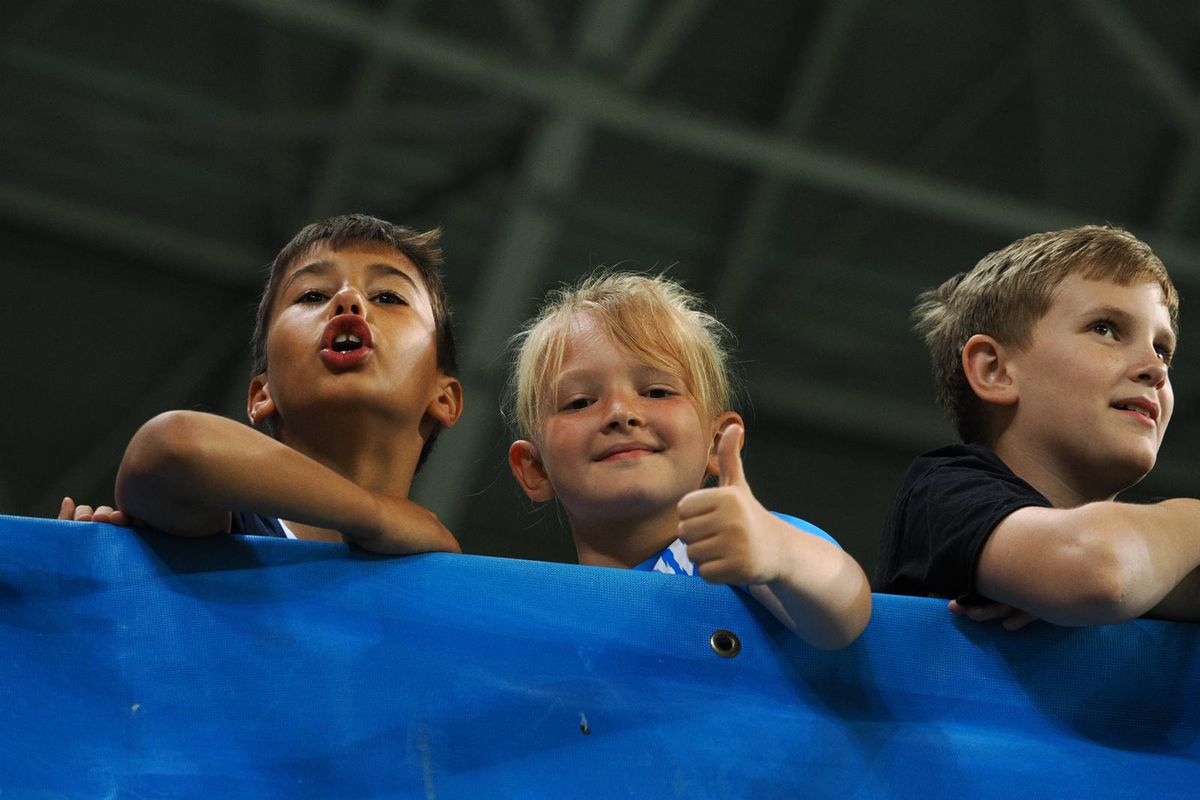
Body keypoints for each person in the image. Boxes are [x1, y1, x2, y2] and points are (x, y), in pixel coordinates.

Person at [59, 213, 463, 554]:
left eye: (388, 297)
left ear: (444, 398)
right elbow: (172, 445)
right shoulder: (225, 537)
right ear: (260, 395)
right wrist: (376, 516)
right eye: (311, 295)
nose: (348, 299)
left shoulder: (454, 593)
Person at [506, 271, 871, 649]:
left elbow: (846, 611)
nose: (620, 412)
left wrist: (781, 552)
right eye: (580, 402)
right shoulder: (539, 623)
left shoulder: (744, 552)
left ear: (715, 442)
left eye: (657, 392)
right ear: (535, 468)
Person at [876, 225, 1200, 628]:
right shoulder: (944, 493)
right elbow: (1097, 571)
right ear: (995, 370)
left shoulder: (1150, 555)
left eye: (1163, 350)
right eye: (1105, 328)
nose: (1155, 369)